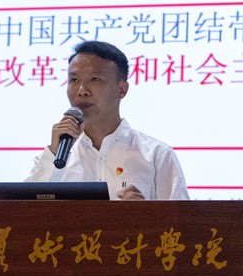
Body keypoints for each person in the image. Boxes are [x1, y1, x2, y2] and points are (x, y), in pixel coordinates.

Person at [26, 40, 190, 200]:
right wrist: (53, 153)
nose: (82, 91)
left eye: (94, 79)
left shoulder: (156, 155)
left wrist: (144, 214)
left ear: (122, 89)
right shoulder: (56, 156)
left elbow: (182, 218)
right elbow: (22, 211)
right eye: (74, 80)